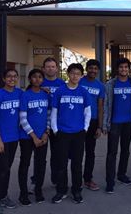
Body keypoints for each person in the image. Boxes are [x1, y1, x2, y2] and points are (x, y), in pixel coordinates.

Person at [51, 63, 91, 204]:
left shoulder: (83, 92)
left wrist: (85, 129)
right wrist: (56, 130)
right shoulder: (60, 91)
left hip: (78, 133)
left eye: (78, 73)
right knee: (61, 164)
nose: (75, 76)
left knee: (77, 164)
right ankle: (61, 190)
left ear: (81, 76)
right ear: (68, 74)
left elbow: (87, 112)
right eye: (72, 73)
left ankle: (76, 190)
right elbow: (54, 112)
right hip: (62, 133)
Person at [104, 58, 131, 193]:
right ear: (117, 69)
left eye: (126, 67)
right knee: (111, 152)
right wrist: (105, 124)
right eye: (121, 67)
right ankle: (110, 181)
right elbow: (107, 105)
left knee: (125, 150)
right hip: (114, 123)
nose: (123, 69)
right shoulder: (110, 85)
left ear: (128, 69)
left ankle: (121, 174)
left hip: (129, 123)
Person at [0, 69, 22, 214]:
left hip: (13, 138)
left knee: (7, 169)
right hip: (0, 139)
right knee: (2, 169)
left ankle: (4, 196)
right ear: (3, 79)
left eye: (14, 76)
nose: (12, 79)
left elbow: (32, 94)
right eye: (9, 76)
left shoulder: (19, 93)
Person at [18, 69, 50, 205]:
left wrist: (46, 132)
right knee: (25, 164)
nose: (37, 79)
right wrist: (34, 137)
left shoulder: (45, 94)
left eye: (40, 77)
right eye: (34, 77)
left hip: (42, 136)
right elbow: (22, 119)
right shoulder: (25, 95)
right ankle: (23, 193)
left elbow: (48, 116)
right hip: (27, 137)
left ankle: (38, 190)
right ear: (30, 79)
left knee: (40, 164)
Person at [79, 59, 105, 191]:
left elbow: (100, 107)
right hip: (77, 122)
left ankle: (88, 179)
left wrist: (100, 126)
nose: (93, 71)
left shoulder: (100, 86)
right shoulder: (79, 81)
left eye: (95, 69)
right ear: (86, 69)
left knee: (90, 152)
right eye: (91, 68)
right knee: (76, 152)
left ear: (98, 71)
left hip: (93, 122)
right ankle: (76, 180)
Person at [40, 57, 65, 186]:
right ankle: (36, 179)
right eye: (48, 66)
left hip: (56, 122)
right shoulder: (38, 83)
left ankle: (56, 179)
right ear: (44, 69)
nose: (50, 68)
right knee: (40, 155)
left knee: (57, 153)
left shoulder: (62, 84)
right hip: (40, 122)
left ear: (57, 68)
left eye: (53, 66)